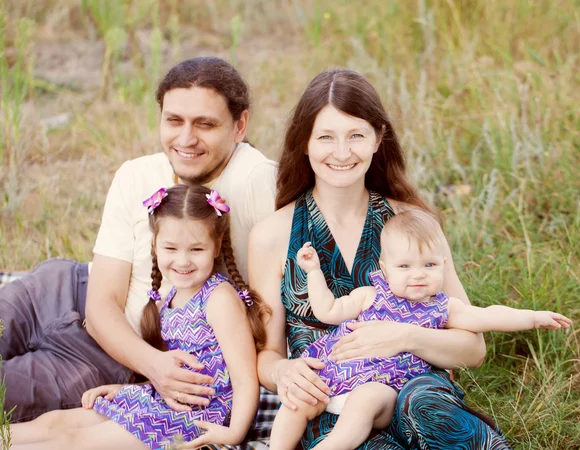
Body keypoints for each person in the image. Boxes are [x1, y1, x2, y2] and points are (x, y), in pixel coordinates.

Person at [0, 56, 278, 425]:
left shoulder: (257, 183)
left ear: (240, 125)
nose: (185, 139)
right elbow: (101, 305)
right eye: (173, 120)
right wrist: (156, 367)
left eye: (205, 124)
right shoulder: (136, 175)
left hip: (109, 359)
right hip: (62, 289)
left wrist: (156, 370)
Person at [249, 68, 514, 448]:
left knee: (423, 405)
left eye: (356, 135)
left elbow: (472, 349)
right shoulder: (272, 235)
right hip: (333, 407)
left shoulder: (414, 224)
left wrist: (404, 336)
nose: (342, 152)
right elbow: (267, 353)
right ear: (304, 143)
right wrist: (283, 370)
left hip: (416, 394)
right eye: (326, 137)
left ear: (378, 138)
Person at [269, 209, 572, 450]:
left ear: (443, 265)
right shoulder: (370, 295)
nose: (418, 275)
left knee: (365, 401)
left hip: (384, 392)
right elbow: (327, 310)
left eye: (428, 265)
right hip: (332, 378)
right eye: (405, 267)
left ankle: (334, 447)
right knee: (297, 402)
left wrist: (532, 317)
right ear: (385, 268)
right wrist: (313, 272)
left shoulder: (442, 308)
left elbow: (487, 316)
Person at [10, 184, 270, 449]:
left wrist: (234, 433)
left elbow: (244, 378)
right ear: (155, 245)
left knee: (75, 441)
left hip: (197, 416)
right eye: (171, 249)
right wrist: (126, 391)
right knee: (54, 423)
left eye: (196, 250)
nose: (182, 261)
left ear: (216, 247)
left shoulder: (219, 299)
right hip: (164, 400)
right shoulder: (169, 299)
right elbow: (176, 372)